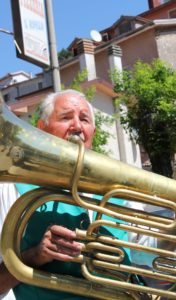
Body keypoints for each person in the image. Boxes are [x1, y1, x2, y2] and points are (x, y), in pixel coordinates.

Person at [0, 89, 132, 300]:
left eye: (84, 119)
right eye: (66, 117)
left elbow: (154, 252)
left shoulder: (115, 190)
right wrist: (35, 256)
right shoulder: (11, 189)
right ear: (41, 129)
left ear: (93, 134)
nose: (77, 126)